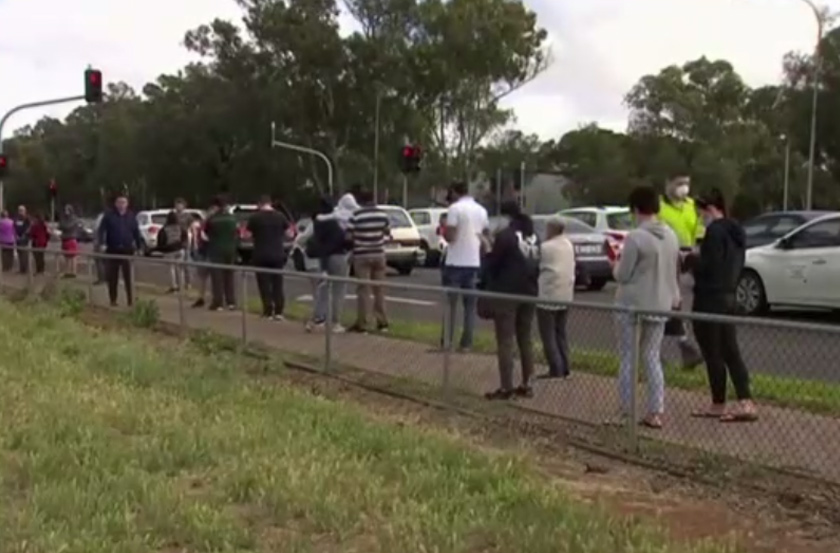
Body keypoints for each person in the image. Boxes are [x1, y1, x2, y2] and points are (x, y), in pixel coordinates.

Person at [612, 186, 681, 429]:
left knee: (628, 357)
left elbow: (622, 274)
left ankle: (626, 409)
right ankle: (656, 410)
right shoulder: (671, 235)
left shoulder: (636, 237)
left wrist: (614, 262)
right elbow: (674, 270)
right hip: (661, 303)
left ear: (636, 209)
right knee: (652, 357)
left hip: (632, 304)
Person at [690, 188, 757, 423]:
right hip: (730, 296)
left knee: (712, 351)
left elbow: (709, 265)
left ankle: (718, 402)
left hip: (709, 298)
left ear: (709, 209)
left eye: (700, 212)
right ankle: (745, 401)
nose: (700, 218)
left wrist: (691, 259)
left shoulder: (714, 233)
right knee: (730, 350)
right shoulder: (736, 233)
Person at [482, 201, 540, 400]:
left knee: (506, 340)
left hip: (507, 292)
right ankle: (528, 383)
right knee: (525, 338)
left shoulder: (505, 236)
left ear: (505, 217)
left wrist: (487, 249)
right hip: (530, 291)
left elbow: (493, 263)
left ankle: (506, 387)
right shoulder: (533, 236)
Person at [658, 171, 704, 369]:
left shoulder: (692, 206)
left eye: (686, 183)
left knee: (677, 304)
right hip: (666, 259)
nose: (683, 188)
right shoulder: (658, 206)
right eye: (679, 183)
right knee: (666, 304)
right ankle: (679, 347)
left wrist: (696, 250)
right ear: (668, 183)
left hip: (688, 258)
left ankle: (683, 347)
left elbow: (699, 230)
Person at [440, 180, 489, 352]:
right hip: (473, 262)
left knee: (450, 305)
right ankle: (466, 343)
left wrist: (444, 230)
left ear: (454, 192)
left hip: (455, 261)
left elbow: (451, 236)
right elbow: (485, 236)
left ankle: (447, 341)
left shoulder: (455, 209)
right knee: (469, 306)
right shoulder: (481, 211)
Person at [536, 216, 576, 379]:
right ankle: (565, 365)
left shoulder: (546, 247)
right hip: (565, 293)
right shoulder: (568, 244)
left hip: (548, 295)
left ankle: (555, 367)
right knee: (561, 332)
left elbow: (537, 265)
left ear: (551, 229)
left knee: (548, 334)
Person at [347, 188, 390, 333]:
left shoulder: (356, 215)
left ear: (360, 201)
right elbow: (387, 231)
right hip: (379, 254)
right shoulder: (382, 214)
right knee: (379, 289)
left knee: (363, 290)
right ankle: (382, 322)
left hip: (361, 255)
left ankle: (363, 323)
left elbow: (348, 236)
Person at [306, 195, 350, 332]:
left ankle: (318, 318)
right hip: (338, 256)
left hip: (324, 258)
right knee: (339, 291)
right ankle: (336, 322)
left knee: (323, 289)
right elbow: (344, 239)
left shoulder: (318, 222)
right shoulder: (337, 221)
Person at [247, 195, 289, 320]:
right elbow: (288, 233)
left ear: (260, 204)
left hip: (261, 253)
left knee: (264, 283)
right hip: (277, 253)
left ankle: (268, 310)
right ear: (270, 203)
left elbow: (248, 235)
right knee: (278, 282)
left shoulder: (255, 218)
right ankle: (279, 311)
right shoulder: (280, 216)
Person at [98, 194, 143, 307]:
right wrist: (102, 243)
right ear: (116, 204)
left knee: (129, 277)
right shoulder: (109, 216)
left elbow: (136, 232)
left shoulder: (131, 216)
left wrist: (139, 247)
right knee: (112, 277)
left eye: (124, 202)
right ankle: (113, 299)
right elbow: (101, 231)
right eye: (119, 202)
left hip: (127, 250)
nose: (122, 205)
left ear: (127, 204)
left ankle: (130, 300)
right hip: (113, 250)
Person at [204, 195, 238, 311]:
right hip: (230, 248)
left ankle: (218, 302)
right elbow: (236, 233)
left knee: (217, 276)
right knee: (229, 275)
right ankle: (231, 301)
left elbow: (206, 232)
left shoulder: (213, 219)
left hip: (217, 249)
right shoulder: (232, 218)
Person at [157, 210, 188, 292]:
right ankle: (181, 285)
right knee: (180, 269)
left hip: (169, 250)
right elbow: (185, 237)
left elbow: (161, 241)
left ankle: (173, 285)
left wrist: (161, 249)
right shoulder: (180, 228)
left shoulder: (164, 229)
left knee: (171, 269)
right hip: (179, 249)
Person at [189, 207, 214, 308]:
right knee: (203, 277)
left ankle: (204, 297)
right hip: (204, 252)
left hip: (206, 252)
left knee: (205, 277)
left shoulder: (205, 225)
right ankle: (202, 297)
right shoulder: (204, 226)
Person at [173, 198, 193, 291]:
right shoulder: (173, 216)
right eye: (177, 204)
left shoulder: (188, 216)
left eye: (180, 205)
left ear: (184, 206)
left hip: (185, 242)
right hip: (176, 241)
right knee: (177, 264)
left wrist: (193, 239)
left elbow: (192, 227)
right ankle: (178, 283)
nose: (179, 206)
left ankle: (188, 283)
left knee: (187, 264)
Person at [58, 205, 82, 278]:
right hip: (64, 239)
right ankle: (67, 271)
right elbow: (60, 226)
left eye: (67, 210)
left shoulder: (74, 219)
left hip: (71, 239)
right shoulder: (64, 219)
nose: (66, 212)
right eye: (65, 210)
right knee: (66, 257)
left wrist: (63, 227)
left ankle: (73, 272)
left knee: (73, 256)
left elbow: (68, 226)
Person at [14, 205, 31, 274]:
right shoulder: (17, 219)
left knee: (24, 254)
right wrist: (16, 235)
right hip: (18, 239)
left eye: (22, 210)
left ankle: (25, 269)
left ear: (25, 211)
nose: (20, 212)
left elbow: (29, 228)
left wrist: (25, 235)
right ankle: (21, 269)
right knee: (19, 254)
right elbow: (14, 227)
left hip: (25, 239)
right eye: (19, 210)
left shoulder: (27, 218)